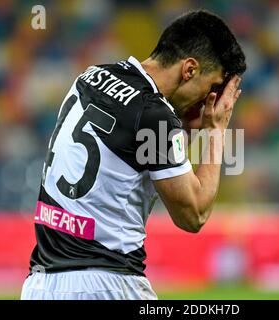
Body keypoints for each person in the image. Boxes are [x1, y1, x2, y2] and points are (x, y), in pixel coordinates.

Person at [21, 9, 246, 300]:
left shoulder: (90, 77)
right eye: (212, 88)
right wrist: (215, 131)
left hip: (41, 285)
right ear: (189, 69)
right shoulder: (154, 115)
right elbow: (194, 214)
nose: (209, 101)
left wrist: (185, 128)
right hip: (107, 284)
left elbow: (132, 151)